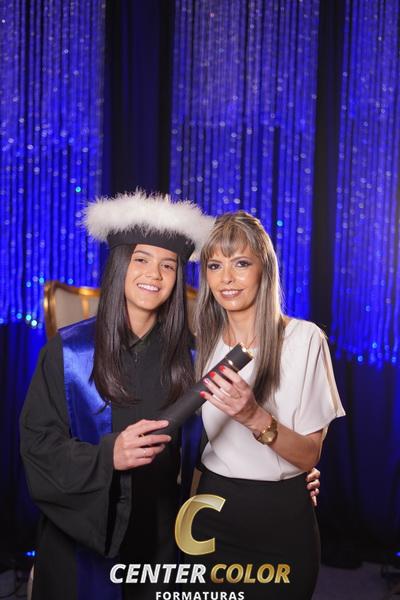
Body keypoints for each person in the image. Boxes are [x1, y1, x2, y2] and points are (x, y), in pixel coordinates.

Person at [19, 191, 215, 600]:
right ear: (119, 265)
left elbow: (213, 448)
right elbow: (38, 446)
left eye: (168, 265)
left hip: (160, 542)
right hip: (82, 544)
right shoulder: (69, 353)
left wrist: (280, 470)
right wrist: (108, 456)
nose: (154, 274)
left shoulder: (192, 360)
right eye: (141, 259)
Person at [190, 211, 345, 599]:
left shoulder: (304, 340)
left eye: (241, 263)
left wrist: (253, 416)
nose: (227, 278)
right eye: (215, 265)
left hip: (281, 521)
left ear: (265, 269)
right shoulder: (203, 343)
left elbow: (308, 456)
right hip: (210, 513)